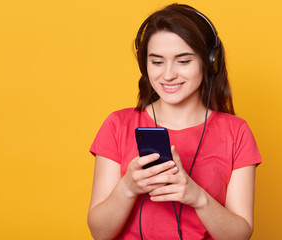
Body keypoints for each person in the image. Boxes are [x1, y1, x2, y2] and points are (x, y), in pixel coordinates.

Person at [88, 3, 261, 240]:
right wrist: (128, 187)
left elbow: (239, 235)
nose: (168, 74)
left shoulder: (236, 132)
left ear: (209, 62)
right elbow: (99, 233)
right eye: (157, 62)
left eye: (183, 61)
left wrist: (196, 196)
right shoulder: (118, 124)